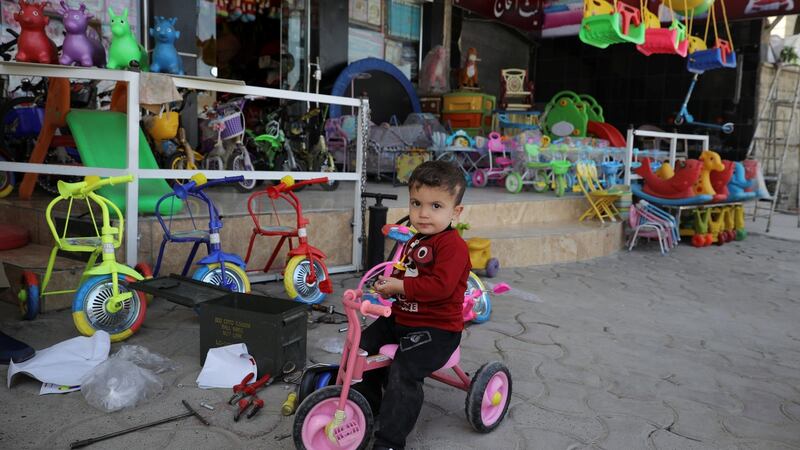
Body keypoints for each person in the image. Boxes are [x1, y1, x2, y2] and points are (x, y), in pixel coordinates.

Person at [356, 160, 471, 450]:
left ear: (455, 212)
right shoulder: (414, 240)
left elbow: (441, 287)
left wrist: (400, 286)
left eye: (435, 206)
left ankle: (390, 441)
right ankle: (367, 407)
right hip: (402, 319)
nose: (422, 214)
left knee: (404, 370)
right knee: (361, 345)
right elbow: (403, 272)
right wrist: (387, 286)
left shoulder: (452, 247)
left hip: (438, 329)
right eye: (416, 203)